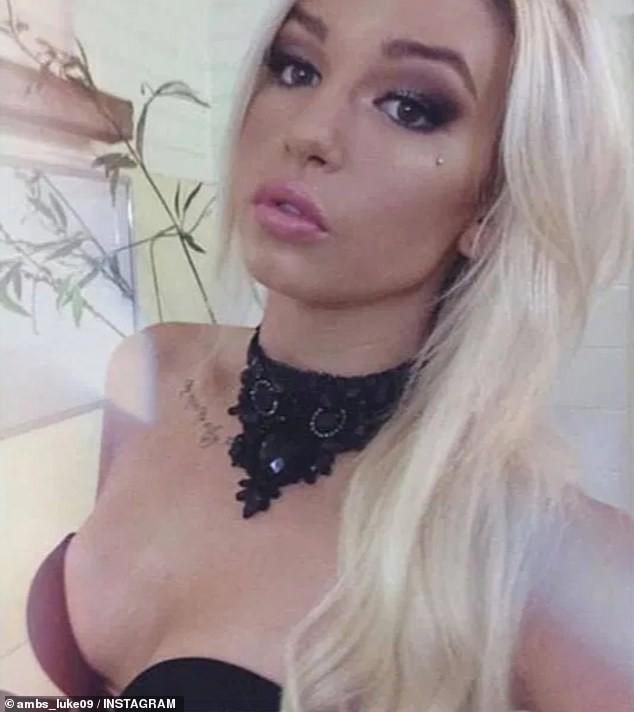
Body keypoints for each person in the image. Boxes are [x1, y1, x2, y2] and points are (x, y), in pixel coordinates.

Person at [26, 0, 634, 710]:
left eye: (409, 107)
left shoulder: (549, 558)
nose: (310, 131)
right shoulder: (153, 370)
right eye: (297, 68)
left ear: (492, 206)